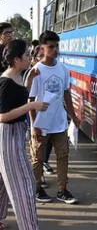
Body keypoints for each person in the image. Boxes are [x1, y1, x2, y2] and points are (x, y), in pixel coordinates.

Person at [0, 39, 49, 229]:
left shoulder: (18, 76)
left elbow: (19, 95)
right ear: (17, 59)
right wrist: (31, 105)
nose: (31, 57)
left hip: (15, 135)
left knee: (4, 183)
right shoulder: (5, 82)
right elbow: (3, 116)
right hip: (8, 137)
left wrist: (29, 81)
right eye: (27, 55)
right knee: (24, 185)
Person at [26, 30, 80, 204]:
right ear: (42, 48)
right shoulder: (36, 71)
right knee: (38, 157)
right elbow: (31, 100)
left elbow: (66, 95)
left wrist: (73, 115)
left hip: (60, 123)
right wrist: (35, 125)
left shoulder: (63, 69)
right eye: (51, 47)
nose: (55, 49)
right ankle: (37, 188)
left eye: (57, 46)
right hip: (41, 123)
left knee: (63, 156)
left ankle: (63, 190)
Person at [23, 44, 55, 183]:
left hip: (48, 114)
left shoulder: (51, 72)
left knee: (47, 143)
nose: (44, 59)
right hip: (33, 115)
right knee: (36, 145)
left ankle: (43, 164)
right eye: (40, 57)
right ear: (34, 59)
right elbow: (26, 96)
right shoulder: (30, 73)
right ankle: (38, 175)